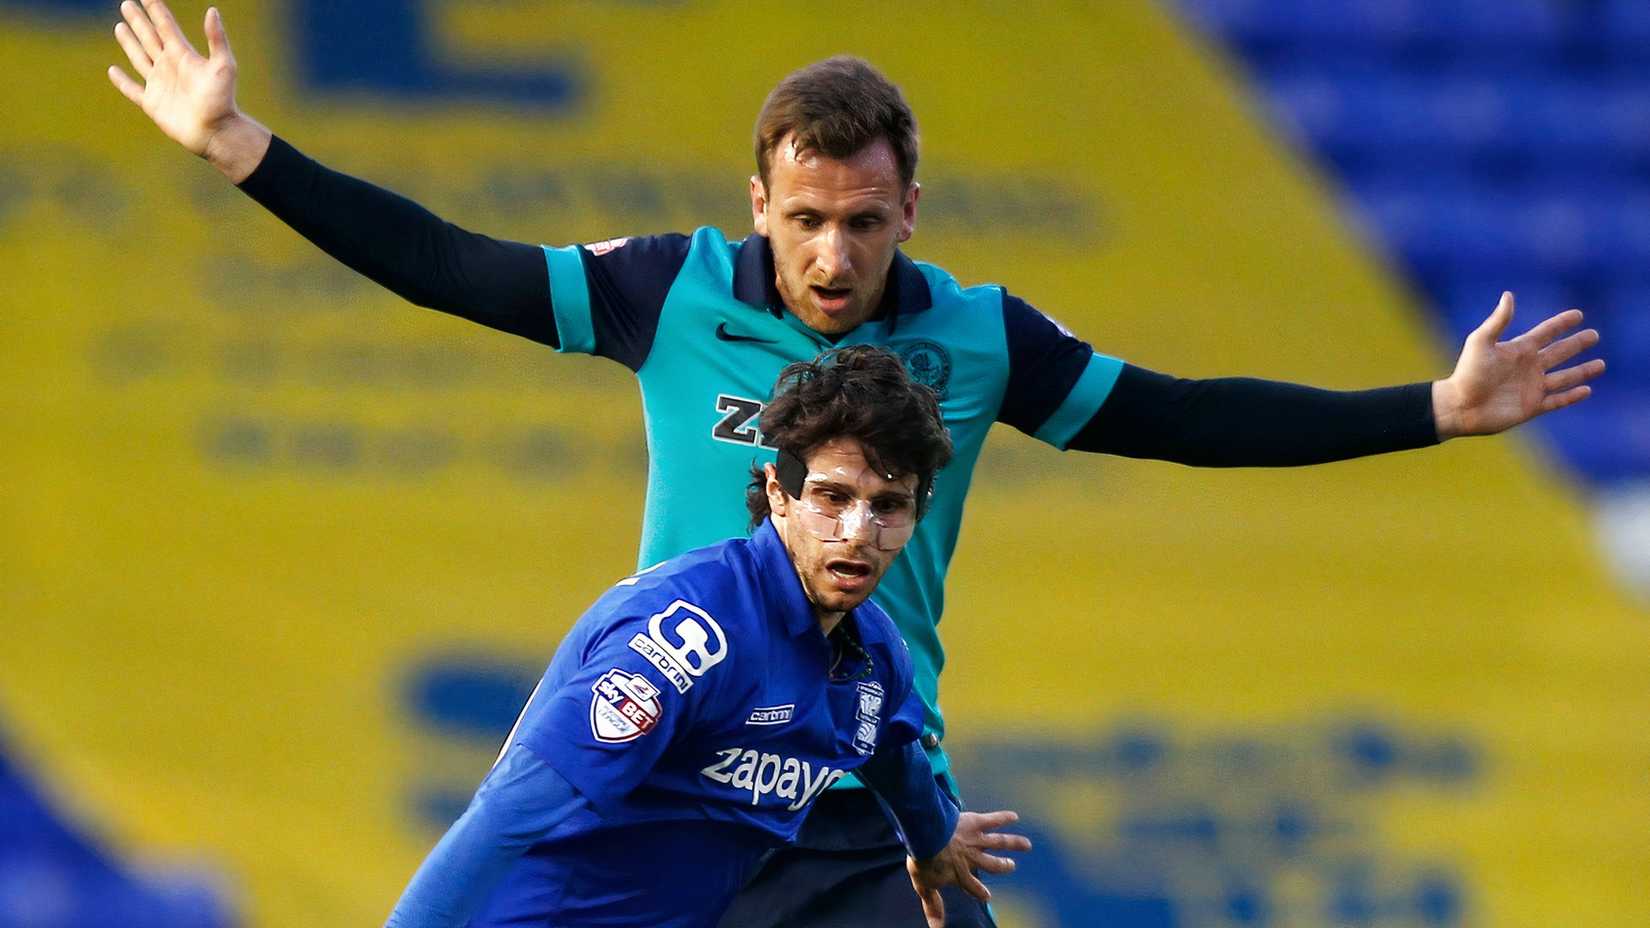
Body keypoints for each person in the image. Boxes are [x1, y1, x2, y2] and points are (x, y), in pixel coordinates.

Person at [108, 3, 1605, 925]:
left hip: (866, 774)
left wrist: (1428, 408)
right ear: (758, 201)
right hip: (674, 777)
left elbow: (1182, 415)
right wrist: (241, 144)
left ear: (909, 211)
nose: (832, 254)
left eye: (866, 222)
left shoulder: (977, 338)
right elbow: (446, 263)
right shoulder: (666, 291)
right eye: (804, 218)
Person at [383, 346, 1027, 928]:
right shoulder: (693, 634)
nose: (859, 531)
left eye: (888, 505)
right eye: (832, 498)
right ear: (778, 493)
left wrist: (933, 834)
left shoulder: (874, 653)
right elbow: (504, 818)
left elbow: (887, 744)